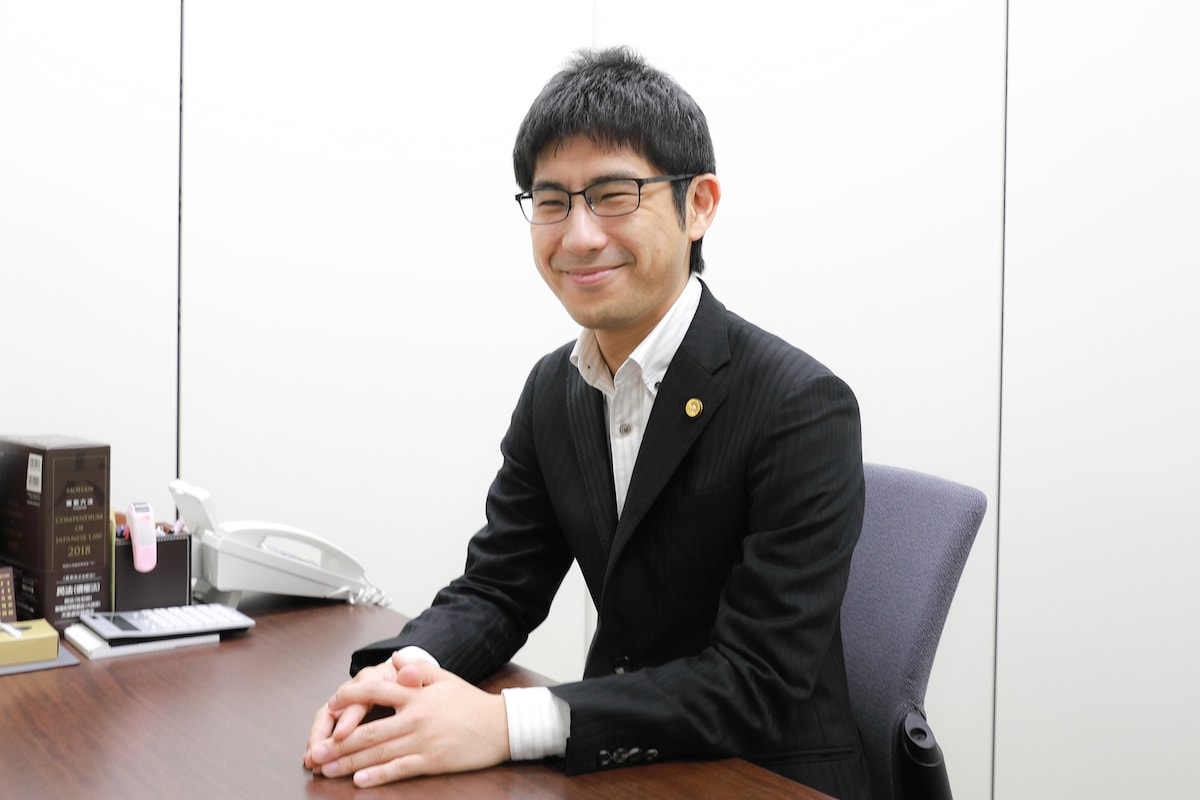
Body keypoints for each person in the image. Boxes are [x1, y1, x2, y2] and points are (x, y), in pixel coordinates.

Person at [303, 46, 871, 799]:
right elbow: (499, 588)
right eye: (551, 201)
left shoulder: (800, 404)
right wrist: (396, 678)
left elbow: (755, 681)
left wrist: (506, 723)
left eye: (612, 194)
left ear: (699, 205)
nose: (577, 236)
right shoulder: (556, 389)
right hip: (619, 766)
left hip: (764, 776)